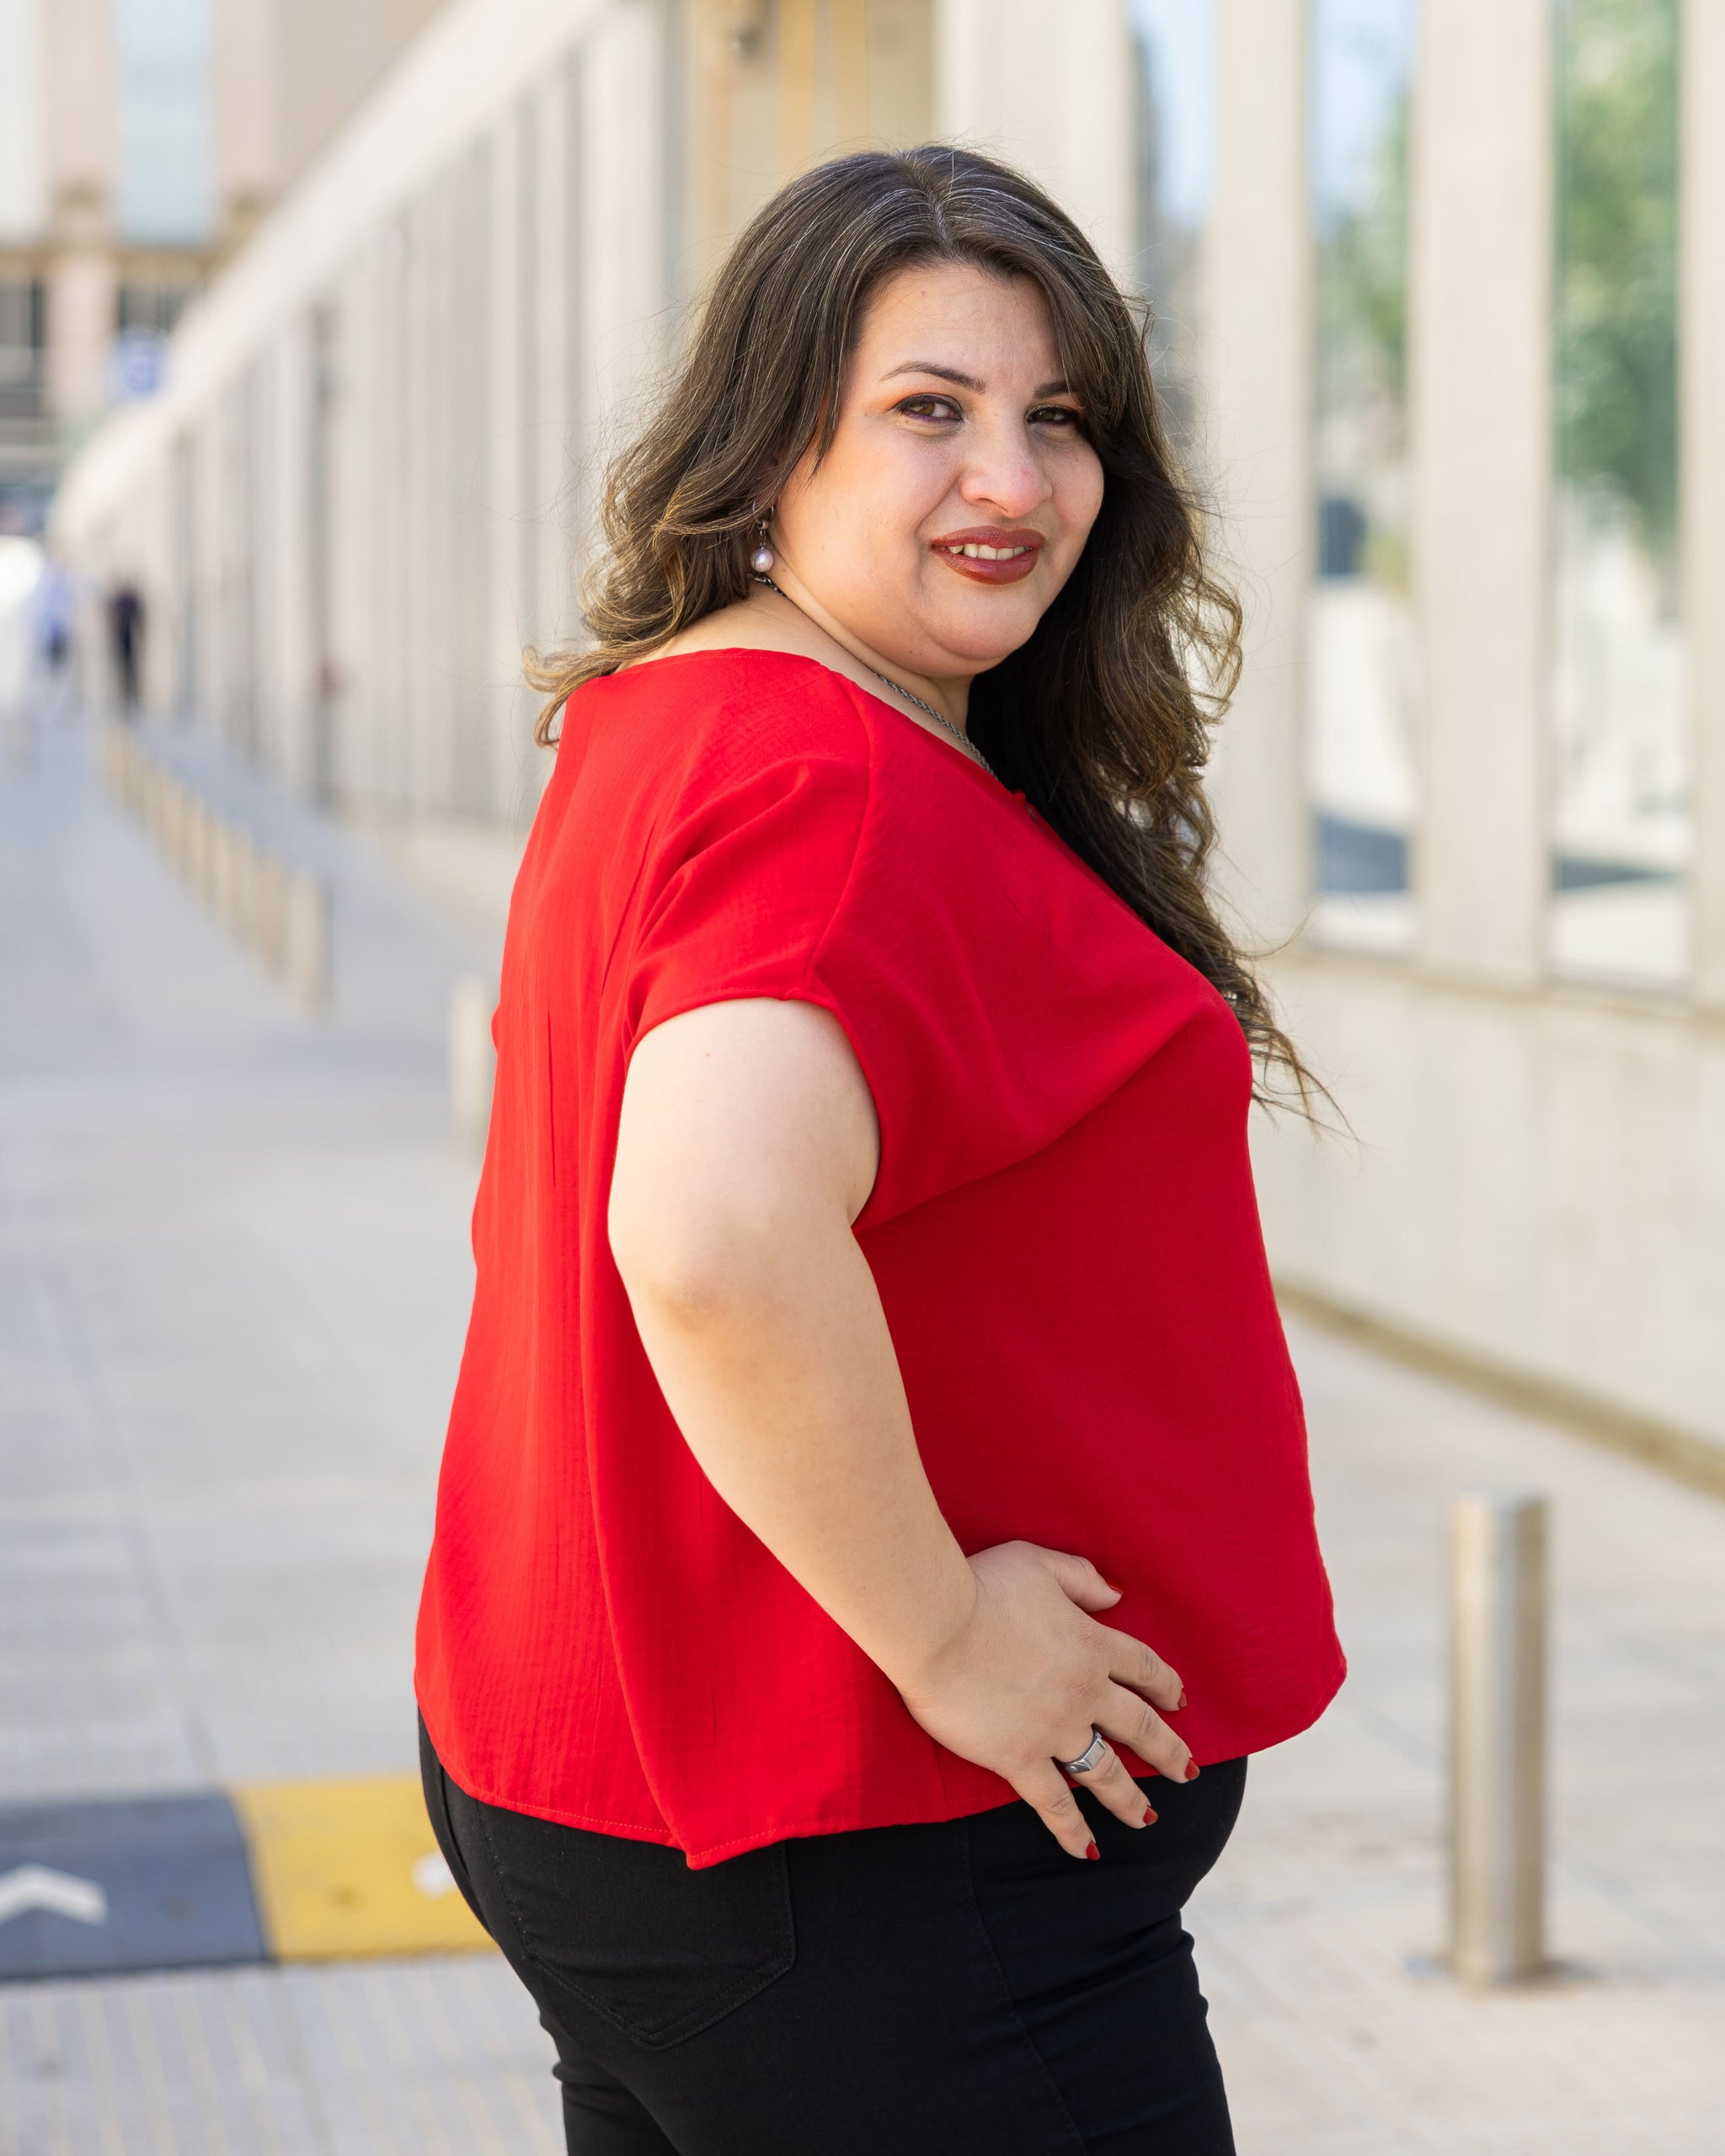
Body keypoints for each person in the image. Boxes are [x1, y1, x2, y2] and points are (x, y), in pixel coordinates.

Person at [416, 145, 1344, 2155]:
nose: (1010, 479)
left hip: (663, 1802)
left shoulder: (680, 716)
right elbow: (711, 1228)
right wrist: (938, 1627)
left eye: (1057, 417)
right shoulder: (824, 781)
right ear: (768, 449)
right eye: (927, 412)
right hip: (867, 1844)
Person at [107, 577, 146, 711]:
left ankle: (132, 697)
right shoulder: (120, 600)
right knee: (122, 669)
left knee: (132, 670)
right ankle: (123, 696)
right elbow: (112, 617)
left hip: (130, 640)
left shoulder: (130, 600)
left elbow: (140, 618)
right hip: (121, 640)